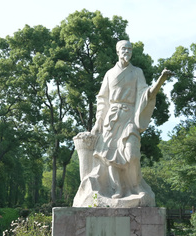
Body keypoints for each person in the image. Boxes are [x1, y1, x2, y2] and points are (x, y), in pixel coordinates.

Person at [72, 40, 171, 207]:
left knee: (132, 154)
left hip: (129, 118)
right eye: (124, 49)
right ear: (118, 51)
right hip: (111, 119)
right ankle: (117, 188)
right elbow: (102, 99)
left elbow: (146, 94)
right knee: (110, 156)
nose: (127, 51)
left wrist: (161, 80)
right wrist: (98, 123)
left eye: (130, 49)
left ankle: (135, 185)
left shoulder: (137, 72)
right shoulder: (110, 74)